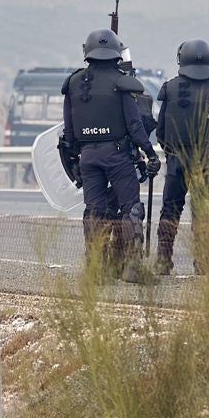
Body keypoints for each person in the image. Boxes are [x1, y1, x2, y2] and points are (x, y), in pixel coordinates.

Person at [60, 28, 162, 282]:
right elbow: (134, 125)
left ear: (87, 53)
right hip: (116, 155)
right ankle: (132, 266)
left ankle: (96, 269)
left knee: (94, 211)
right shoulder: (122, 82)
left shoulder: (73, 83)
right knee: (130, 208)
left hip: (88, 156)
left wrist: (75, 156)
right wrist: (150, 153)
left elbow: (69, 129)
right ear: (116, 53)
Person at [154, 39, 209, 275]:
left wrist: (172, 151)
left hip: (177, 159)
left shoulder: (170, 88)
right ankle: (204, 263)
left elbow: (160, 131)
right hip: (206, 161)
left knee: (170, 210)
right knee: (205, 213)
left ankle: (163, 260)